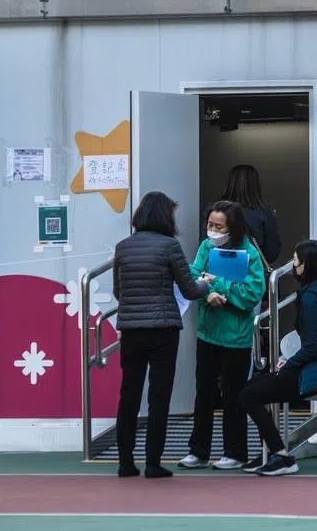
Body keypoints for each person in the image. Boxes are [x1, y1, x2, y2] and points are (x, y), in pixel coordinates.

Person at [238, 240, 317, 476]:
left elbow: (314, 346)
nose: (292, 265)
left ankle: (281, 456)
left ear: (306, 266)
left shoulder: (309, 298)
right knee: (255, 387)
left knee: (248, 395)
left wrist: (289, 363)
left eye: (295, 261)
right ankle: (270, 452)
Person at [112, 192, 210, 478]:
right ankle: (153, 463)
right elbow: (190, 290)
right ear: (166, 216)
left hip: (130, 329)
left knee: (128, 395)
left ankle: (125, 463)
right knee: (159, 396)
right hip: (163, 329)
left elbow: (119, 292)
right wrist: (205, 284)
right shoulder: (170, 246)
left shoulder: (123, 247)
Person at [178, 201, 267, 471]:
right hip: (208, 332)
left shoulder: (249, 253)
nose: (213, 231)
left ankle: (235, 452)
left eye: (219, 226)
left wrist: (218, 284)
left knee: (234, 395)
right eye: (210, 225)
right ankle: (198, 451)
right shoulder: (206, 247)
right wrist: (207, 293)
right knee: (203, 393)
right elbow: (193, 276)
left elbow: (253, 293)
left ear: (233, 227)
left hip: (236, 337)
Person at [221, 164, 282, 266]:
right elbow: (272, 254)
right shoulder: (264, 214)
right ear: (256, 185)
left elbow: (205, 244)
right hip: (251, 272)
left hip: (217, 271)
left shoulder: (215, 211)